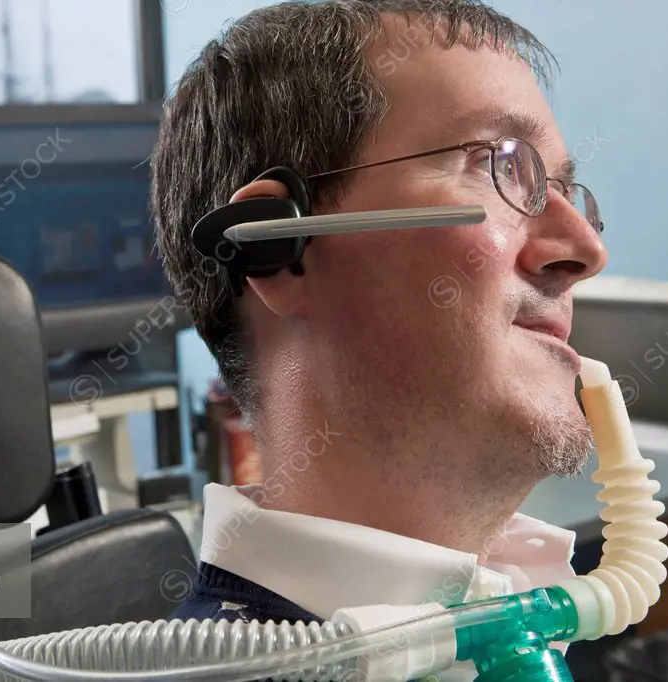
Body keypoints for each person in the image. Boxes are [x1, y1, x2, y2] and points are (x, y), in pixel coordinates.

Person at [150, 0, 608, 628]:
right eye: (497, 166)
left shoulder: (523, 612)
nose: (586, 248)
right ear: (275, 247)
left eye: (561, 189)